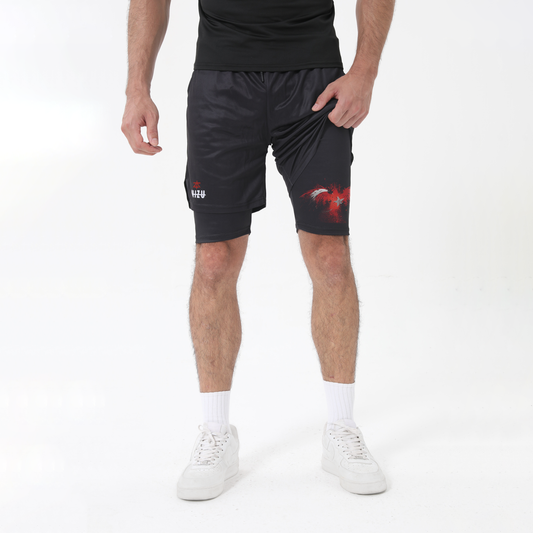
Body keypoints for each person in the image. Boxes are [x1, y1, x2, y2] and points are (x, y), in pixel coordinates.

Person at [121, 0, 395, 501]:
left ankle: (341, 428)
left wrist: (365, 72)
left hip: (314, 87)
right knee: (214, 261)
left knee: (331, 257)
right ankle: (215, 433)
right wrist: (137, 86)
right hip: (222, 87)